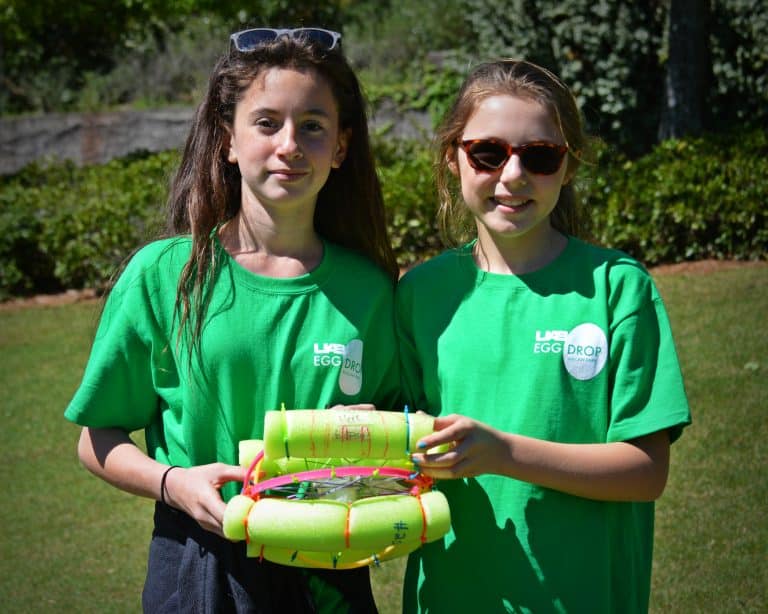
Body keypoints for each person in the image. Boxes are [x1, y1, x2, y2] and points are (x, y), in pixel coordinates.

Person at [64, 27, 400, 613]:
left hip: (329, 566)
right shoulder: (164, 274)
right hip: (197, 560)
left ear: (340, 147)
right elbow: (97, 441)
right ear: (228, 140)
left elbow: (397, 435)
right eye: (267, 123)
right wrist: (175, 483)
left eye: (313, 126)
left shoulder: (369, 290)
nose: (290, 144)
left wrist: (376, 434)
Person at [396, 59, 691, 613]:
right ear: (451, 158)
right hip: (449, 598)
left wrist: (505, 453)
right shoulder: (421, 293)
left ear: (569, 165)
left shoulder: (615, 289)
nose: (512, 176)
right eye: (488, 153)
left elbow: (647, 471)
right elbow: (398, 447)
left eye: (539, 156)